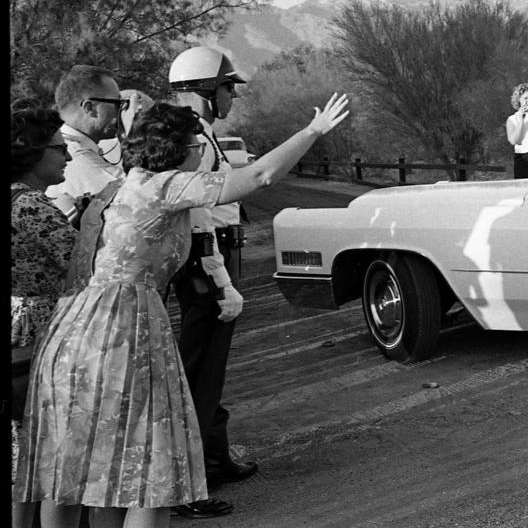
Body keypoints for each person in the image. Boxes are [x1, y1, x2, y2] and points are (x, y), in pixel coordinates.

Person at [15, 95, 350, 528]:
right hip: (122, 327)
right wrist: (313, 131)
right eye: (198, 147)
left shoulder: (113, 189)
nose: (203, 156)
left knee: (75, 466)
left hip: (71, 330)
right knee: (149, 466)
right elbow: (260, 176)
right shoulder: (163, 187)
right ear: (183, 151)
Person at [165, 47, 256, 519]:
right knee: (200, 369)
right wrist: (221, 278)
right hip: (207, 256)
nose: (232, 96)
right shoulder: (193, 141)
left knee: (208, 365)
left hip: (214, 252)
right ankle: (187, 483)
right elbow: (198, 215)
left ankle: (211, 458)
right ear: (204, 90)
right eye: (227, 87)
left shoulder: (199, 134)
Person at [11, 108, 76, 528]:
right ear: (33, 152)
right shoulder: (33, 207)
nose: (68, 155)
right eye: (59, 147)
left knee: (20, 447)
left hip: (17, 321)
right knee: (55, 447)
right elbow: (82, 264)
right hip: (46, 325)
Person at [44, 65, 126, 228]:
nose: (121, 112)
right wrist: (137, 136)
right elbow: (142, 195)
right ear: (90, 108)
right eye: (118, 104)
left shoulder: (69, 146)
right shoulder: (72, 153)